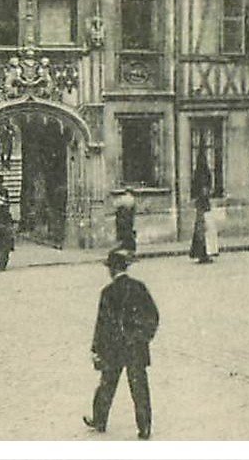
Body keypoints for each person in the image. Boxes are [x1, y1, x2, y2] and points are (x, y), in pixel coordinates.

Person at [84, 248, 159, 439]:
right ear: (125, 267)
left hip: (113, 347)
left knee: (107, 385)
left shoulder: (107, 292)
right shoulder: (139, 287)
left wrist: (96, 349)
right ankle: (144, 427)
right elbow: (153, 316)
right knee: (139, 388)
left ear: (111, 270)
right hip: (136, 347)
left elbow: (102, 325)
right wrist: (143, 337)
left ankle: (99, 420)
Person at [189, 157, 215, 264]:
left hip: (201, 206)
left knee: (201, 232)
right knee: (204, 232)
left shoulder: (198, 174)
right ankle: (204, 254)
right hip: (203, 207)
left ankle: (201, 254)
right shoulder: (203, 177)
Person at [112, 187, 138, 253]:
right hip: (128, 219)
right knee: (128, 232)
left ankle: (124, 247)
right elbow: (133, 211)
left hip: (121, 218)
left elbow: (115, 205)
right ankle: (130, 248)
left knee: (122, 233)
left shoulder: (122, 198)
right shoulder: (132, 199)